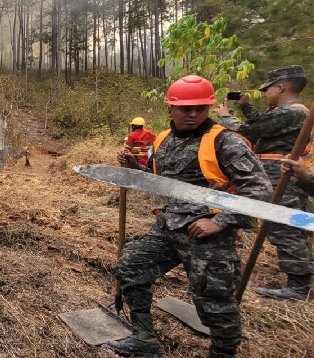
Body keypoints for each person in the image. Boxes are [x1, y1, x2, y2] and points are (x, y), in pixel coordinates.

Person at [110, 75, 272, 358]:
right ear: (170, 108)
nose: (193, 114)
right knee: (131, 266)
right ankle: (145, 339)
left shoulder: (225, 141)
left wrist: (219, 221)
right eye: (185, 108)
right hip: (169, 225)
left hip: (209, 236)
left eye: (200, 108)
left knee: (214, 302)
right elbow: (160, 182)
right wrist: (135, 166)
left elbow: (260, 189)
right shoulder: (162, 140)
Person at [214, 65, 313, 301]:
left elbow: (251, 130)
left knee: (284, 225)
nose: (266, 94)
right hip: (277, 173)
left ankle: (299, 285)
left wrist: (226, 117)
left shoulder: (294, 112)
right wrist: (245, 105)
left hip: (282, 176)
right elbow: (262, 123)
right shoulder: (285, 112)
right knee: (287, 223)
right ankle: (301, 278)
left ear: (281, 87)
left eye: (267, 89)